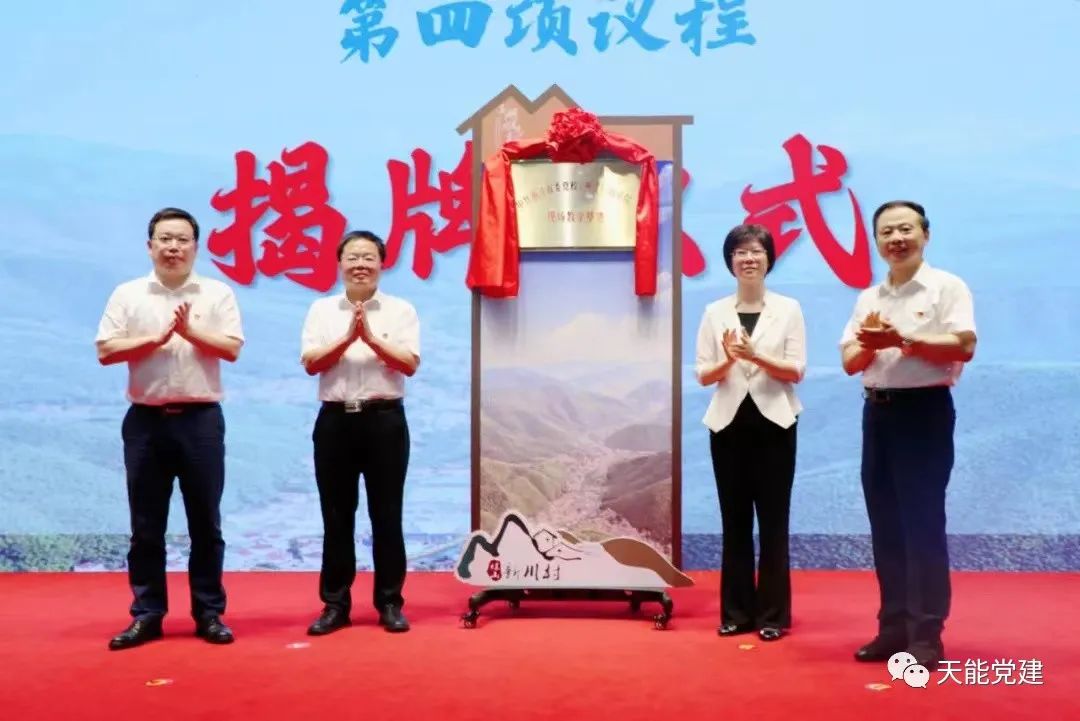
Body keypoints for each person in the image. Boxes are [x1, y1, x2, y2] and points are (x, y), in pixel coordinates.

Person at [96, 207, 244, 650]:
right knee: (146, 526)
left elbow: (231, 348)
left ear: (195, 247)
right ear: (150, 246)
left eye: (182, 239)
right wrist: (156, 340)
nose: (173, 247)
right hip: (146, 421)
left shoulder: (217, 293)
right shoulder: (128, 293)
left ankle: (209, 613)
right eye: (165, 239)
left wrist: (190, 332)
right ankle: (147, 614)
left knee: (206, 523)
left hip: (200, 421)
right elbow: (106, 350)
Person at [841, 200, 977, 670]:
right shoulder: (869, 298)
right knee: (886, 526)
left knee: (922, 525)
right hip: (877, 414)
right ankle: (893, 628)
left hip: (924, 414)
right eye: (886, 232)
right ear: (876, 241)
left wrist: (901, 340)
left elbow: (964, 345)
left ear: (925, 235)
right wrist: (872, 344)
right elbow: (849, 360)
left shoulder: (946, 287)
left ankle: (926, 636)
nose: (896, 239)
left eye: (905, 229)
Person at [300, 230, 420, 635]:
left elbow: (409, 363)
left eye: (368, 257)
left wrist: (369, 338)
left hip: (385, 421)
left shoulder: (401, 310)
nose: (360, 265)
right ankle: (335, 605)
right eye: (352, 257)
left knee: (387, 514)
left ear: (381, 264)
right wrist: (347, 338)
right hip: (335, 422)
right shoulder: (321, 310)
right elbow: (312, 363)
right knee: (336, 516)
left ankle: (390, 602)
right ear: (340, 264)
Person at [695, 223, 807, 642]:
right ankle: (737, 612)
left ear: (768, 259)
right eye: (740, 252)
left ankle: (773, 615)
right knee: (735, 521)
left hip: (775, 424)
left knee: (774, 522)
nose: (748, 259)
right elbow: (704, 374)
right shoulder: (714, 312)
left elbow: (795, 370)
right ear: (730, 261)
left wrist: (755, 354)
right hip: (728, 426)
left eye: (756, 251)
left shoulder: (789, 309)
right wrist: (730, 359)